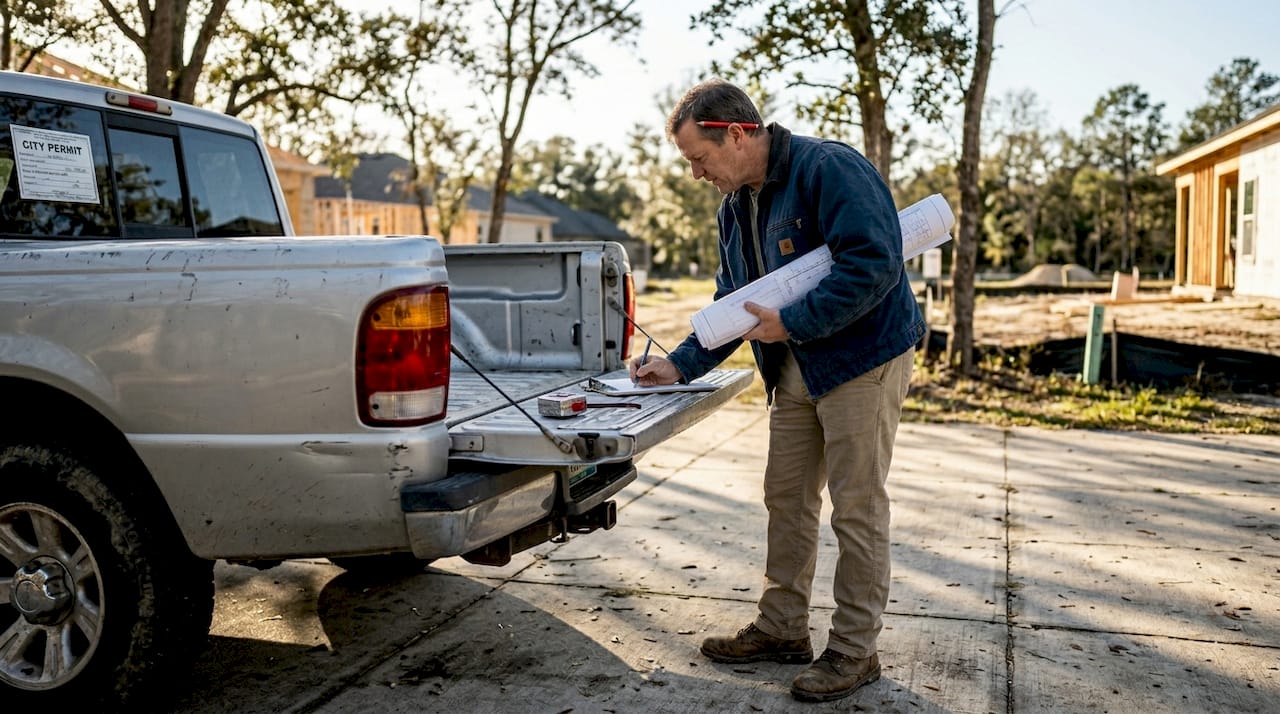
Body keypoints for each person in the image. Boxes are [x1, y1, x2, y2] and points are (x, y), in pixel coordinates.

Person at [629, 78, 923, 703]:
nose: (696, 173)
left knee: (856, 506)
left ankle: (854, 650)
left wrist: (791, 321)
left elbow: (874, 263)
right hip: (793, 366)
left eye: (699, 158)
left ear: (736, 134)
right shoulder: (734, 207)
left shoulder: (829, 168)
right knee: (786, 497)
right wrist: (680, 365)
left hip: (862, 359)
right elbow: (733, 302)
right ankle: (782, 627)